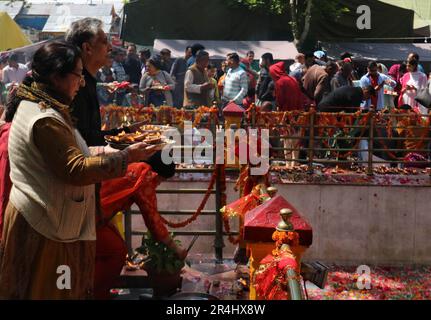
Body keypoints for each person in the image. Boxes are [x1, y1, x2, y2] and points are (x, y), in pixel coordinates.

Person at [0, 42, 159, 299]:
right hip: (46, 227)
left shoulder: (43, 105)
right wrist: (128, 156)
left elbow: (69, 155)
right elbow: (75, 169)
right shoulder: (45, 119)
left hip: (48, 220)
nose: (81, 83)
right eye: (77, 75)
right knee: (51, 292)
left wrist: (112, 150)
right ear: (56, 76)